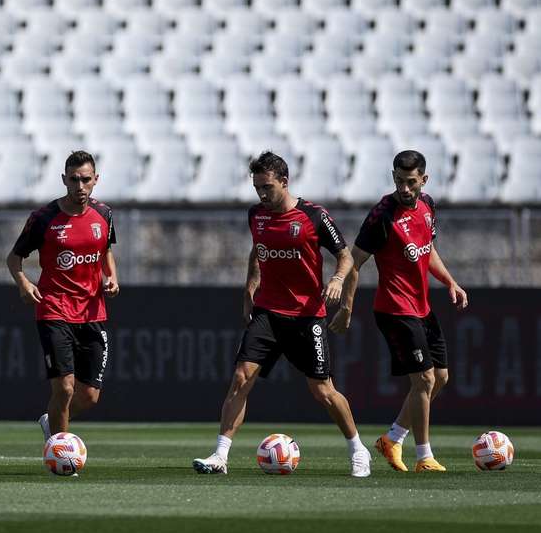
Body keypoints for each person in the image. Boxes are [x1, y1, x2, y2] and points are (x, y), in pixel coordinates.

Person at [192, 151, 371, 478]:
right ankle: (220, 455)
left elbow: (345, 257)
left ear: (284, 182)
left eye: (267, 187)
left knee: (322, 391)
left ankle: (358, 449)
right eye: (257, 187)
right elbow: (258, 250)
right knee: (241, 377)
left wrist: (336, 280)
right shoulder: (256, 215)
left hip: (306, 315)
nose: (262, 194)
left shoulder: (313, 216)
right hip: (268, 312)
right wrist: (250, 288)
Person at [330, 150, 468, 473]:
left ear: (424, 180)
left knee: (441, 379)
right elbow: (354, 262)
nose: (404, 189)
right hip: (394, 309)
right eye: (399, 181)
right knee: (424, 378)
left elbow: (428, 249)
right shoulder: (382, 216)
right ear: (393, 177)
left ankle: (393, 438)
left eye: (411, 182)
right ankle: (424, 457)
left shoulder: (428, 206)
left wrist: (450, 281)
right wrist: (347, 309)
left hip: (421, 306)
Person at [6, 150, 119, 445]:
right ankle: (58, 449)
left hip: (93, 312)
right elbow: (14, 258)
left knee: (90, 396)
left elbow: (106, 250)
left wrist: (111, 277)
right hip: (54, 309)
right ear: (64, 180)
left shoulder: (104, 214)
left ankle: (51, 420)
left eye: (85, 179)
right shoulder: (44, 218)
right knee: (65, 388)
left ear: (96, 180)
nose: (79, 186)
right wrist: (23, 283)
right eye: (73, 180)